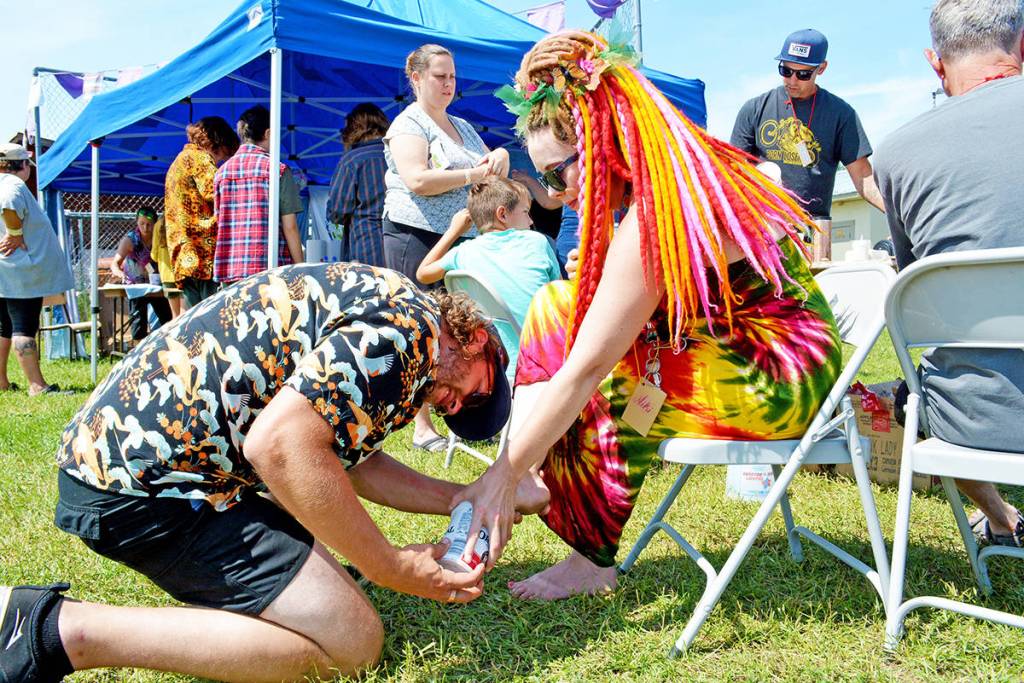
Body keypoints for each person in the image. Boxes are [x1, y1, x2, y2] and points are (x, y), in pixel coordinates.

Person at [0, 261, 535, 682]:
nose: (455, 406)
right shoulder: (408, 334)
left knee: (337, 603)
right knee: (353, 642)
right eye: (477, 393)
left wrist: (465, 497)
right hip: (142, 485)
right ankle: (53, 630)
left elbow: (351, 463)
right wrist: (390, 565)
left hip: (137, 461)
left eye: (457, 413)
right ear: (475, 339)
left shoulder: (398, 312)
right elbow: (281, 447)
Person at [456, 29, 843, 600]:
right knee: (555, 303)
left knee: (618, 381)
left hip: (783, 373)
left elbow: (586, 366)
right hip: (729, 343)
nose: (556, 195)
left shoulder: (659, 211)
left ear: (600, 141)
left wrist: (499, 476)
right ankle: (533, 470)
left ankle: (586, 556)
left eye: (554, 172)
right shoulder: (665, 180)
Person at [873, 0, 1024, 546]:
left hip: (972, 424)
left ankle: (1001, 519)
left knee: (927, 383)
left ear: (935, 64)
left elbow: (924, 295)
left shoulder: (896, 154)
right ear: (1022, 47)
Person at [383, 43, 511, 452]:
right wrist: (472, 172)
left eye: (453, 76)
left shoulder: (462, 126)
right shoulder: (408, 125)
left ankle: (468, 407)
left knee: (459, 333)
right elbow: (417, 179)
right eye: (440, 76)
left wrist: (501, 158)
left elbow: (491, 167)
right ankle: (422, 426)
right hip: (414, 235)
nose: (448, 84)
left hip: (461, 239)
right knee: (420, 330)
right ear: (416, 78)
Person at [730, 28, 884, 259]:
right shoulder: (754, 109)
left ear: (821, 69)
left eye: (803, 74)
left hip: (813, 236)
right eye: (786, 70)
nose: (792, 80)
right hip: (762, 233)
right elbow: (734, 171)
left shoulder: (841, 114)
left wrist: (898, 214)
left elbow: (863, 176)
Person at [416, 176, 562, 378]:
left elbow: (423, 273)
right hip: (547, 357)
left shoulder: (463, 252)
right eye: (526, 212)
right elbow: (559, 295)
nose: (531, 220)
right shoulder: (537, 242)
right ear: (502, 214)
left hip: (496, 364)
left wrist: (453, 231)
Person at [0, 143, 74, 395]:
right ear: (21, 165)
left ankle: (1, 381)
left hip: (6, 269)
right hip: (21, 269)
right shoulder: (12, 185)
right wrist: (16, 233)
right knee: (24, 325)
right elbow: (9, 205)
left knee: (4, 326)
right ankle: (37, 386)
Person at [214, 106, 305, 286]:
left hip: (231, 270)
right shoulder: (277, 170)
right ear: (268, 133)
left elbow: (219, 220)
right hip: (268, 270)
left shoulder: (221, 172)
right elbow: (290, 226)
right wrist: (300, 268)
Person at [165, 116, 239, 308]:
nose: (221, 161)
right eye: (223, 155)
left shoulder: (179, 160)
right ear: (217, 143)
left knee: (193, 320)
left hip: (184, 254)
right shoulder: (200, 158)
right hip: (201, 254)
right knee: (210, 318)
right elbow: (216, 191)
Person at [327, 103, 390, 266]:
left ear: (353, 129)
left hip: (366, 246)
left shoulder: (352, 160)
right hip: (401, 245)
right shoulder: (399, 155)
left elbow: (337, 211)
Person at [108, 207, 173, 340]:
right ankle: (138, 347)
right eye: (142, 223)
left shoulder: (160, 238)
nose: (145, 227)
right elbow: (115, 264)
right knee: (138, 319)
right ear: (137, 222)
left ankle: (166, 343)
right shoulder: (131, 240)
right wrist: (120, 274)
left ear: (155, 224)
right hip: (136, 285)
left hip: (156, 284)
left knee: (167, 317)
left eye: (149, 224)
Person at [149, 213, 183, 318]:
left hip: (167, 276)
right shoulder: (182, 220)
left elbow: (154, 255)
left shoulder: (158, 225)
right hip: (182, 274)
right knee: (185, 314)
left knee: (176, 315)